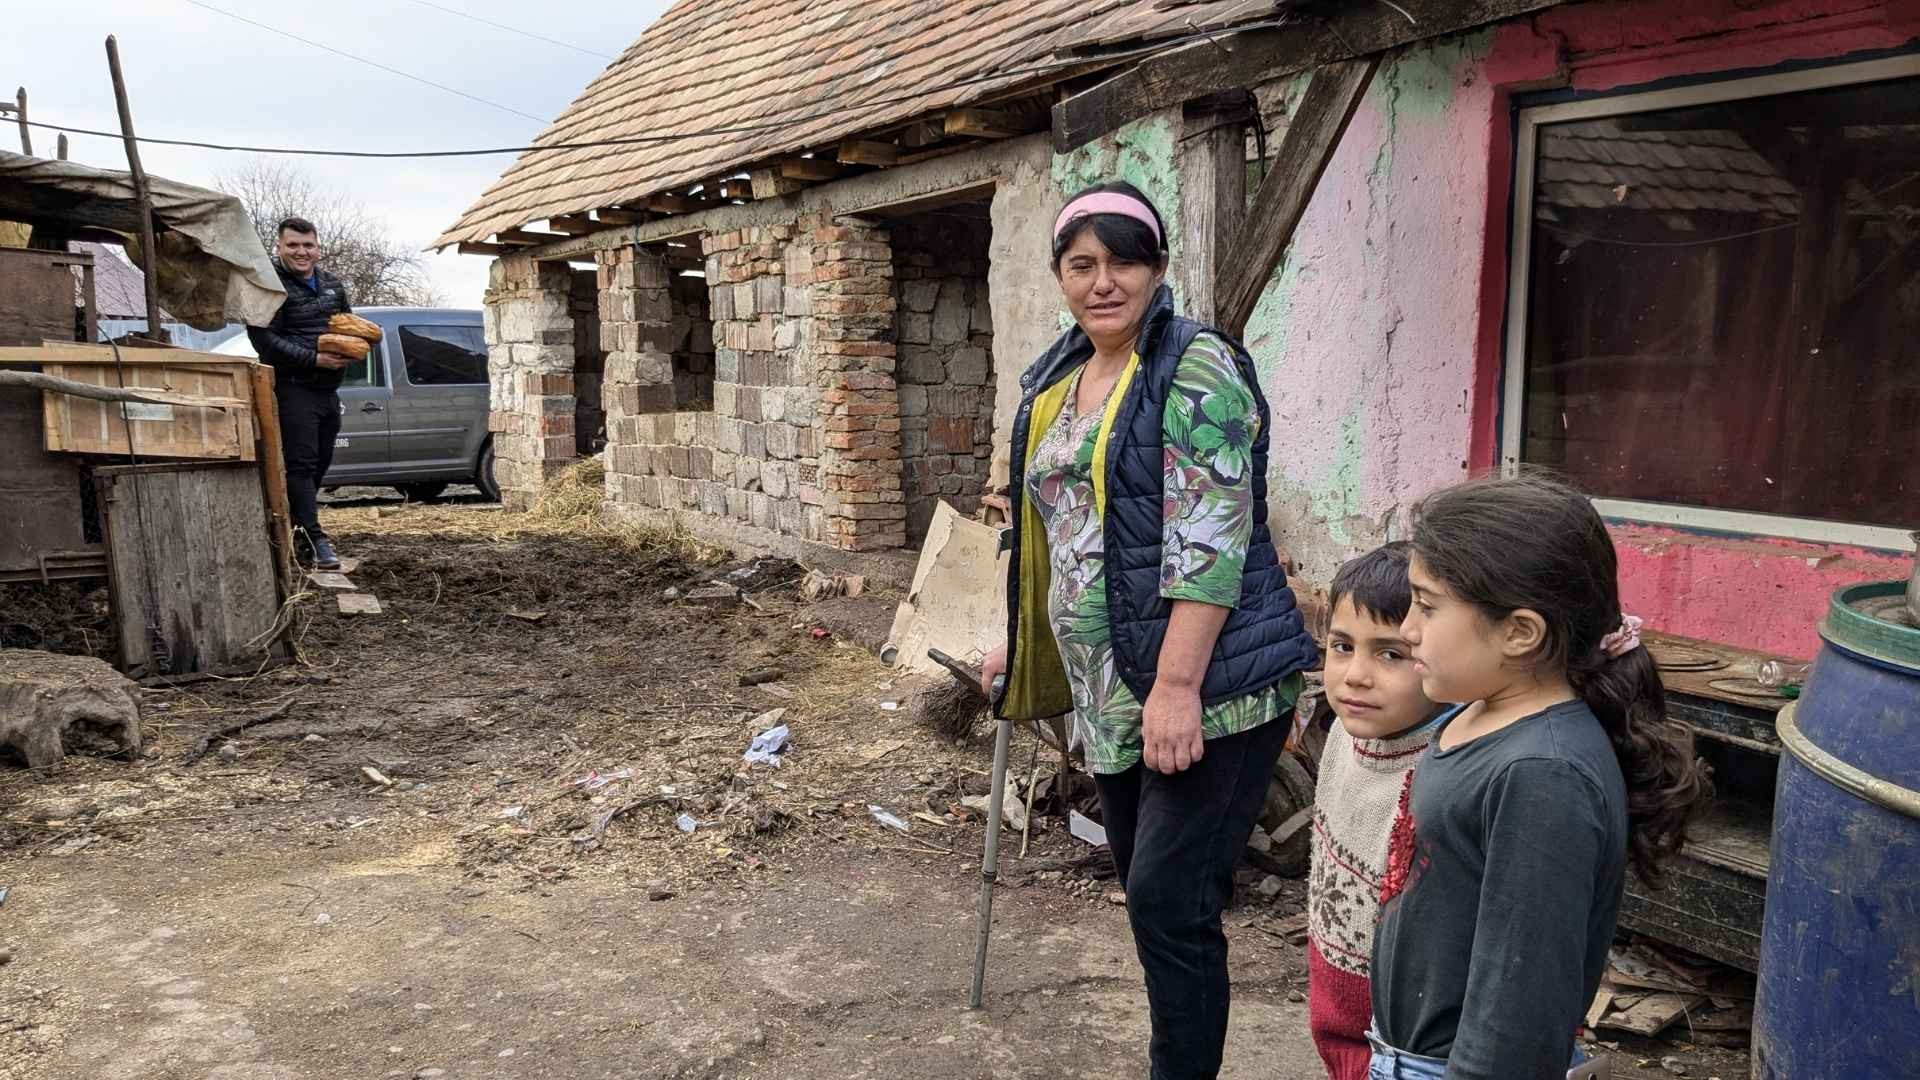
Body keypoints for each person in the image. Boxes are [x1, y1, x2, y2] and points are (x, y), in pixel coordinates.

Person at [978, 180, 1319, 1080]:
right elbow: (1050, 530)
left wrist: (1176, 687)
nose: (1103, 282)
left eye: (1123, 261)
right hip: (1111, 688)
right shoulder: (1056, 377)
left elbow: (1212, 541)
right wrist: (1021, 636)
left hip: (1207, 683)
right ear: (1059, 275)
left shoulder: (1194, 365)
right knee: (1148, 893)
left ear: (1157, 268)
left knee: (1171, 901)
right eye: (1081, 264)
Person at [1368, 474, 1711, 1079]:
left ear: (1520, 632)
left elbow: (1518, 1010)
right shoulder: (1478, 713)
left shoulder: (1543, 775)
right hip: (1406, 1056)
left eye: (1427, 606)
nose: (1409, 629)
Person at [1307, 542, 1443, 1080]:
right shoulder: (1346, 733)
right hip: (1342, 1031)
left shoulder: (1445, 771)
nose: (1355, 675)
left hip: (1407, 1051)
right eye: (1342, 646)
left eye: (1391, 654)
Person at [247, 216, 354, 570]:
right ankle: (316, 537)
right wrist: (313, 358)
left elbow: (348, 325)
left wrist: (355, 347)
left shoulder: (332, 285)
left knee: (320, 462)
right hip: (293, 387)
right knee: (302, 464)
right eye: (292, 245)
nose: (301, 252)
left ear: (318, 248)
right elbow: (263, 339)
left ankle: (298, 529)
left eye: (308, 245)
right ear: (279, 247)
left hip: (328, 390)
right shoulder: (268, 286)